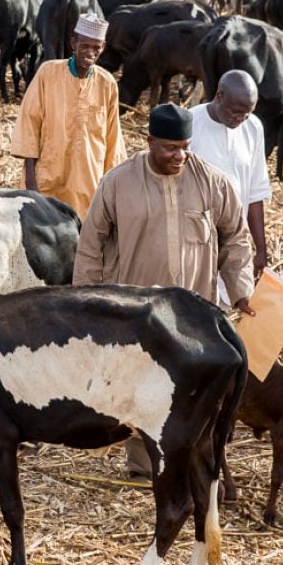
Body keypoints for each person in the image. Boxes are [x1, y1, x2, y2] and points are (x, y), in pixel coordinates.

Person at [74, 103, 255, 477]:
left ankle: (191, 461)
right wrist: (88, 305)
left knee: (193, 387)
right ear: (150, 141)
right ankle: (143, 467)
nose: (180, 156)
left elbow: (236, 237)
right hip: (137, 314)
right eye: (171, 148)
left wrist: (241, 290)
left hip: (193, 310)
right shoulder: (118, 182)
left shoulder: (212, 181)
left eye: (186, 147)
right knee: (143, 388)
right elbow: (91, 245)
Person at [11, 13, 126, 218]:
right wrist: (30, 182)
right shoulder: (48, 73)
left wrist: (110, 188)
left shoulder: (107, 83)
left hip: (88, 180)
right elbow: (30, 125)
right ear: (74, 43)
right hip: (48, 178)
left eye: (96, 48)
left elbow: (113, 138)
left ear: (103, 48)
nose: (90, 53)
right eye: (85, 46)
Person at [189, 70, 271, 289]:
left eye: (247, 114)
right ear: (219, 96)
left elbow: (255, 191)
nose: (241, 119)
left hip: (233, 239)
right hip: (194, 239)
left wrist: (260, 249)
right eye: (236, 112)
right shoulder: (191, 122)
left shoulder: (253, 127)